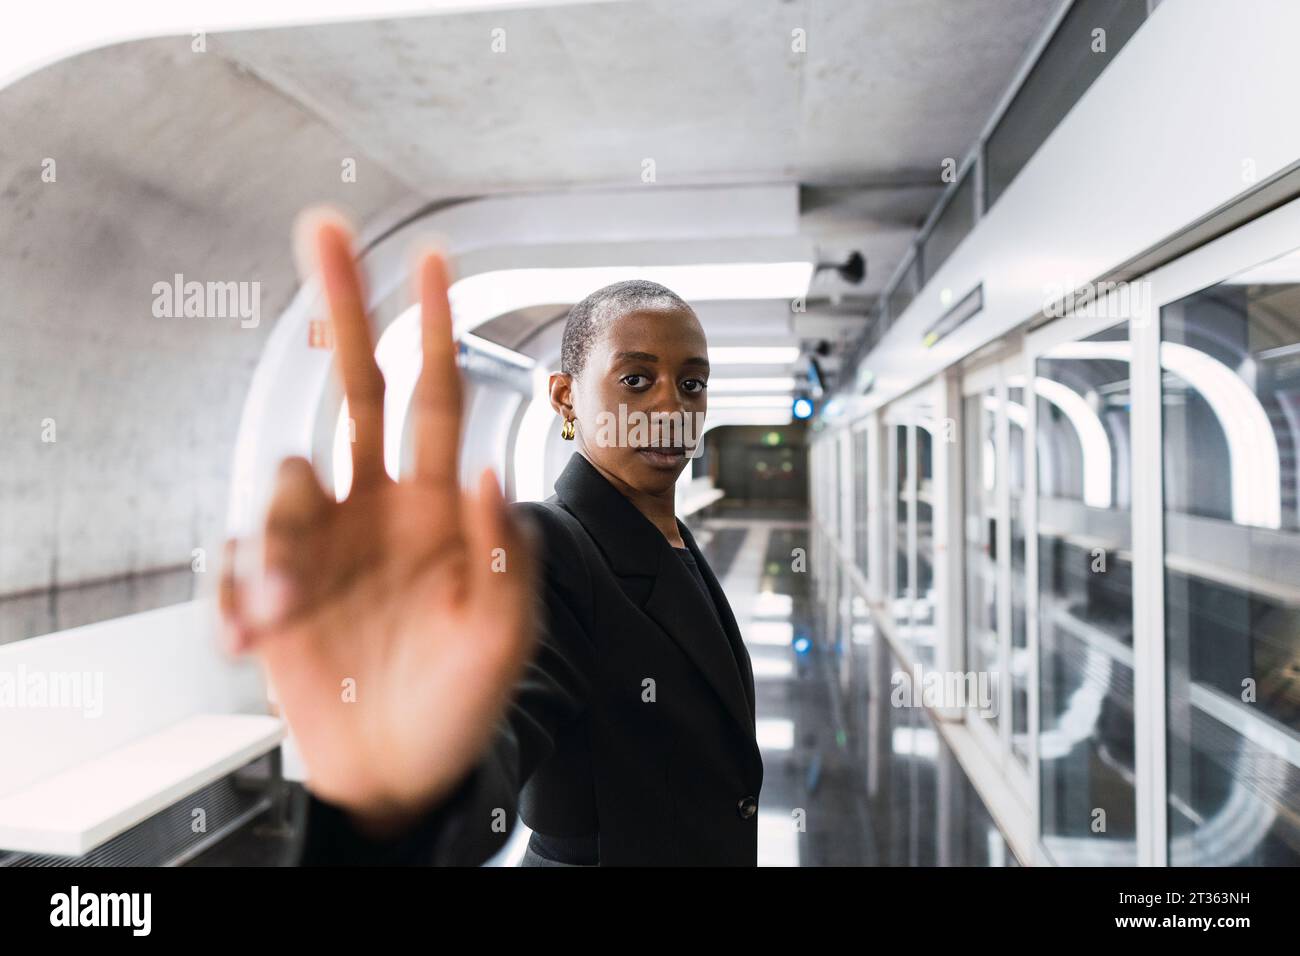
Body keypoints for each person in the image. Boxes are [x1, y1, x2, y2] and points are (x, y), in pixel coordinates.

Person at [219, 210, 762, 866]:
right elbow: (505, 737)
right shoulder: (553, 547)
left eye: (692, 384)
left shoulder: (668, 538)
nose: (671, 407)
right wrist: (396, 803)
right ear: (565, 398)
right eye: (636, 380)